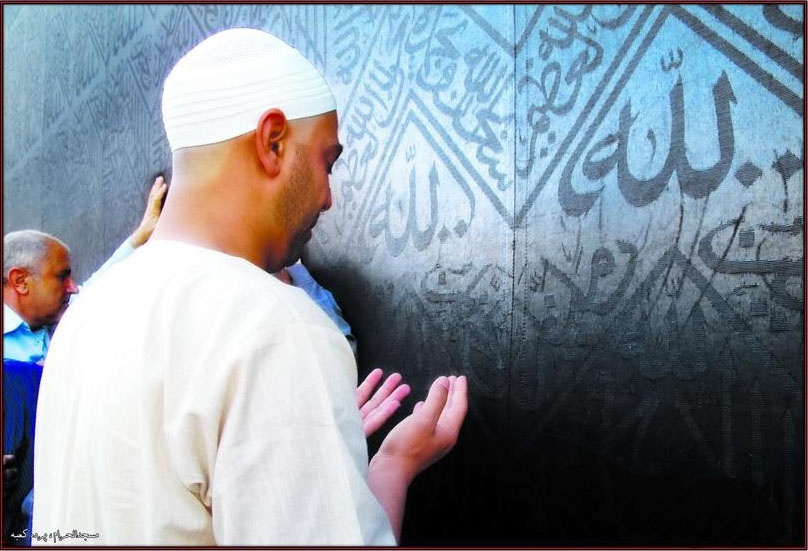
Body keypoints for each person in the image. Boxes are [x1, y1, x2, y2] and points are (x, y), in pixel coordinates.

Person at [33, 28, 467, 545]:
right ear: (272, 141)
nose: (328, 197)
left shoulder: (86, 316)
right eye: (327, 162)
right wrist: (393, 465)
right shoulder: (271, 323)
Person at [3, 176, 168, 364]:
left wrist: (140, 236)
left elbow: (95, 287)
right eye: (61, 277)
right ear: (20, 281)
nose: (73, 288)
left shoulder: (54, 315)